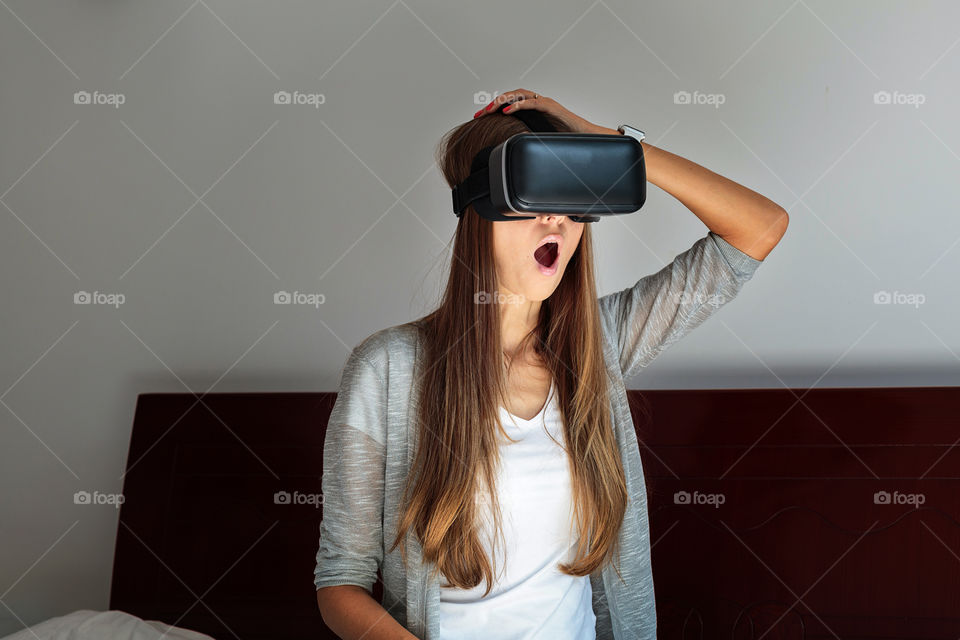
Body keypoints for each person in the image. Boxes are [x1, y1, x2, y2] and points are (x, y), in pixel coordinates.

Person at [315, 89, 789, 640]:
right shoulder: (388, 370)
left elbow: (759, 227)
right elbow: (340, 583)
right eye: (534, 198)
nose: (555, 223)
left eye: (573, 201)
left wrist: (606, 142)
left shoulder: (600, 348)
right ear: (479, 213)